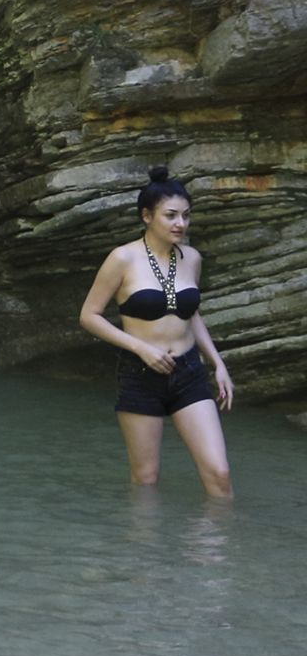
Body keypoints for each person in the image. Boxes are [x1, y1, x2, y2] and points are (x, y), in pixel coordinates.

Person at [77, 166, 234, 498]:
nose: (181, 224)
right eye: (171, 215)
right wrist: (141, 348)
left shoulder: (191, 258)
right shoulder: (122, 258)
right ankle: (147, 551)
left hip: (189, 372)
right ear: (147, 216)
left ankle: (216, 550)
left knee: (219, 474)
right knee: (146, 480)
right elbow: (89, 316)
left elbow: (190, 314)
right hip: (140, 374)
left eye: (186, 216)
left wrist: (217, 364)